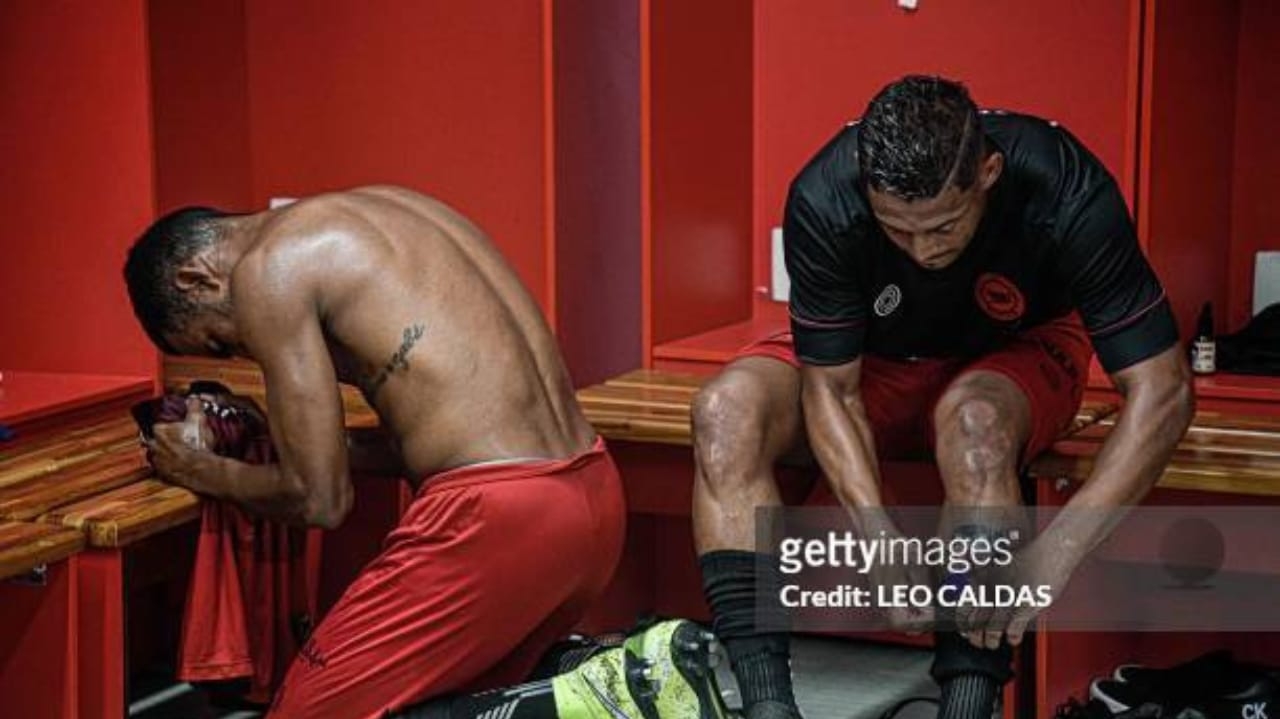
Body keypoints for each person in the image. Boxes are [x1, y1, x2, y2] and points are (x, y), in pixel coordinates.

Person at [123, 186, 730, 719]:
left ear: (195, 279)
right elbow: (437, 427)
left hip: (497, 521)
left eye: (220, 342)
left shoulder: (267, 270)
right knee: (449, 691)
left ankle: (622, 692)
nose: (242, 353)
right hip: (591, 497)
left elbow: (320, 500)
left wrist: (203, 470)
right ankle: (586, 679)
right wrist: (290, 437)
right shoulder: (389, 212)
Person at [691, 76, 1194, 719]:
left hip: (1011, 356)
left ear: (988, 172)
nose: (923, 249)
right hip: (873, 361)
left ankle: (965, 705)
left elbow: (1165, 390)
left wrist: (1057, 552)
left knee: (976, 425)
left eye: (943, 226)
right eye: (897, 231)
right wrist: (876, 540)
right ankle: (767, 707)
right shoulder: (823, 196)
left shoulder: (1064, 184)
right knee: (724, 413)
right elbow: (832, 389)